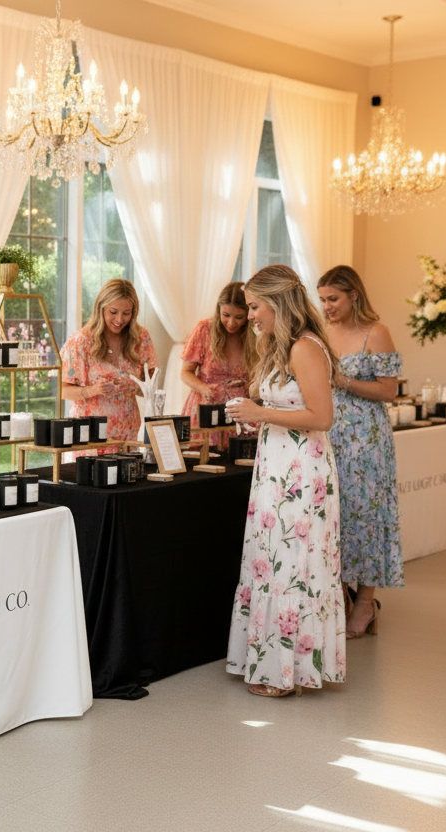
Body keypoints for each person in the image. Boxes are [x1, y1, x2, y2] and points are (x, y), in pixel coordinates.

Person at [224, 265, 345, 698]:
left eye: (255, 306)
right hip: (278, 470)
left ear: (277, 303)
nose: (251, 315)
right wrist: (255, 413)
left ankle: (285, 673)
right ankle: (274, 663)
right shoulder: (283, 347)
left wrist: (261, 414)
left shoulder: (306, 347)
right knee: (275, 559)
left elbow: (322, 417)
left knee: (292, 565)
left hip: (301, 476)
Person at [318, 265, 402, 638]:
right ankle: (339, 596)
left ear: (354, 295)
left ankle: (366, 601)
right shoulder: (320, 332)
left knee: (366, 515)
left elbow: (388, 391)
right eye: (322, 300)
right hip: (329, 432)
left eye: (332, 299)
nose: (327, 307)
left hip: (367, 439)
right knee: (335, 514)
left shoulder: (376, 333)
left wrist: (345, 381)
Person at [62, 278, 159, 454]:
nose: (119, 319)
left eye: (126, 313)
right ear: (101, 308)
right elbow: (63, 390)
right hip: (90, 436)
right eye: (113, 312)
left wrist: (141, 387)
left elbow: (150, 382)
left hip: (128, 432)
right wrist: (92, 390)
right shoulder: (80, 342)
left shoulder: (140, 338)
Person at [181, 282, 254, 446]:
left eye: (239, 317)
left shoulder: (253, 336)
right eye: (226, 315)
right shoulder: (204, 329)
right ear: (218, 309)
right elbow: (185, 372)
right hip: (207, 408)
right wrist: (203, 388)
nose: (231, 322)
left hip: (239, 413)